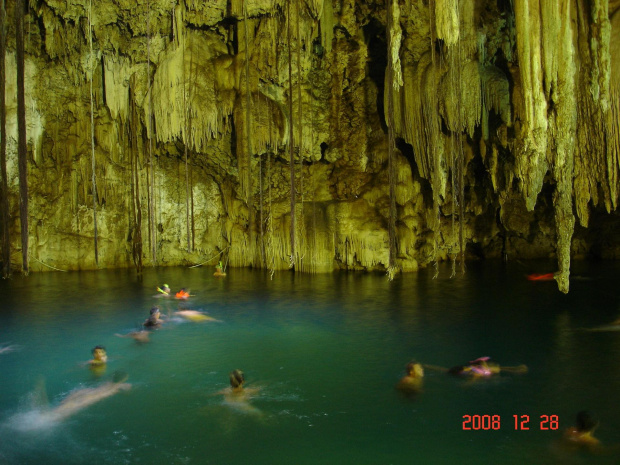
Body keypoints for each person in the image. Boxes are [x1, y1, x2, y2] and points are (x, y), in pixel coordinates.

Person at [447, 357, 527, 377]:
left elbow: (475, 375)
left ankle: (517, 370)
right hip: (485, 369)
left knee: (502, 369)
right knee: (502, 368)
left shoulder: (468, 370)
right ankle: (517, 369)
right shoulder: (467, 369)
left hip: (485, 370)